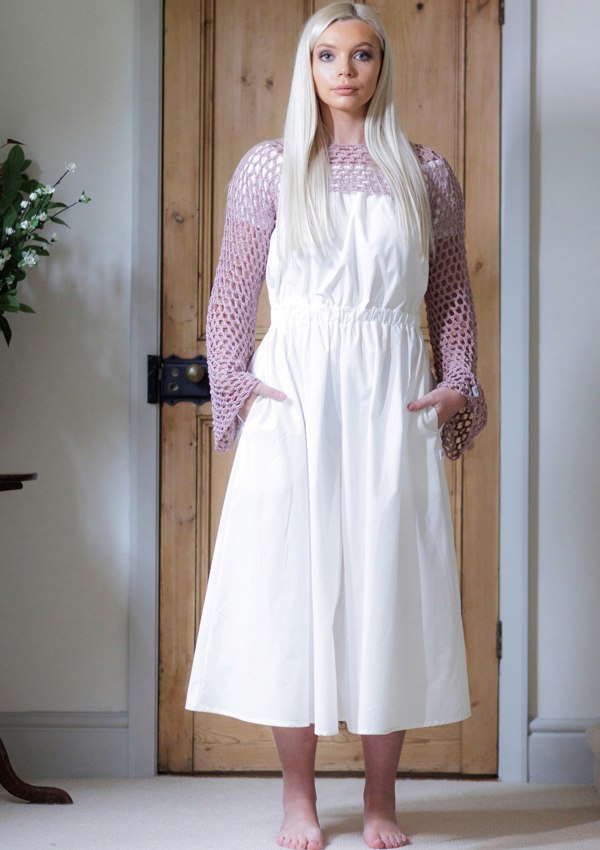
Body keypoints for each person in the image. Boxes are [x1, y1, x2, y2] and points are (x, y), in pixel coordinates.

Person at [185, 3, 487, 848]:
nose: (344, 69)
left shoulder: (426, 173)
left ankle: (384, 802)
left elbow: (451, 295)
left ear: (381, 65)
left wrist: (457, 378)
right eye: (327, 55)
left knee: (389, 587)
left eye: (360, 54)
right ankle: (298, 800)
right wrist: (238, 381)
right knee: (292, 589)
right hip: (299, 400)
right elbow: (232, 294)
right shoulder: (268, 169)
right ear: (307, 67)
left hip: (391, 396)